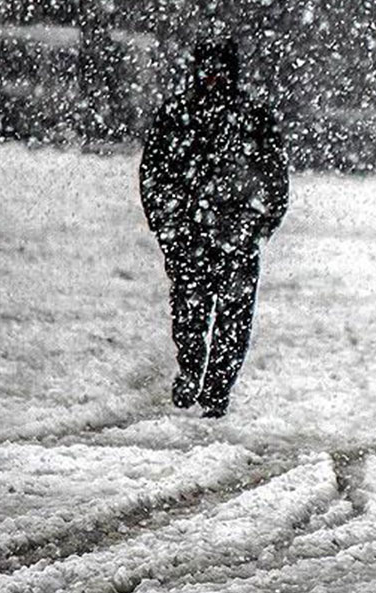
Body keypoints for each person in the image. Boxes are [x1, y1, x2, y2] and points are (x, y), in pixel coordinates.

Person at [139, 38, 289, 417]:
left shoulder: (252, 118)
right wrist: (167, 223)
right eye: (208, 70)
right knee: (190, 310)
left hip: (235, 235)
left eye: (221, 70)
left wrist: (259, 224)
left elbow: (275, 177)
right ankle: (191, 370)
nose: (214, 78)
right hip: (190, 234)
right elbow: (153, 175)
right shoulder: (177, 116)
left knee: (233, 320)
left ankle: (217, 390)